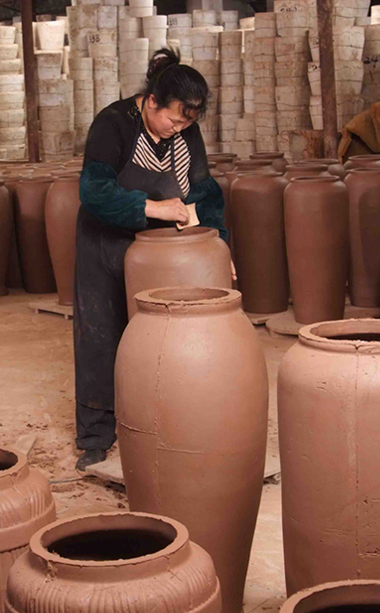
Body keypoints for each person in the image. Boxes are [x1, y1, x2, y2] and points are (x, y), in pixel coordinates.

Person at [72, 48, 226, 471]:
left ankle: (160, 427)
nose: (179, 129)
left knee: (159, 343)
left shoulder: (185, 133)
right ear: (152, 101)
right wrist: (155, 208)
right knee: (101, 338)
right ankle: (96, 436)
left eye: (188, 123)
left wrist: (222, 248)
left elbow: (204, 195)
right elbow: (94, 191)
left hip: (157, 254)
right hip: (105, 243)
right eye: (174, 119)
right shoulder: (113, 124)